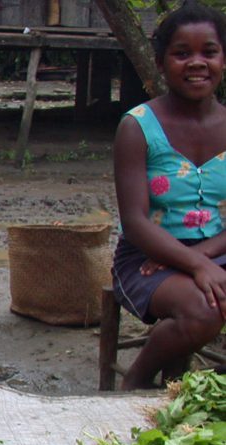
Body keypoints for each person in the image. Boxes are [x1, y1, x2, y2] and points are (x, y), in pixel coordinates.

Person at [112, 0, 226, 390]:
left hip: (216, 251)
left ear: (223, 59)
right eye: (182, 54)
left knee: (209, 299)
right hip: (146, 258)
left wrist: (200, 259)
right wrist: (192, 265)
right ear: (161, 64)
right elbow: (135, 222)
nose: (196, 62)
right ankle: (136, 385)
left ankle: (191, 388)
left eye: (208, 52)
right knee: (202, 311)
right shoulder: (138, 127)